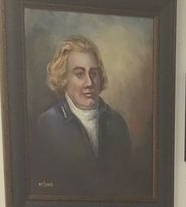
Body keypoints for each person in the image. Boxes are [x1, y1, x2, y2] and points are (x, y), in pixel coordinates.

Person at [31, 36, 133, 198]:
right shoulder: (48, 124)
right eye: (79, 74)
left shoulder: (117, 124)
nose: (89, 83)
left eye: (94, 73)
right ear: (64, 79)